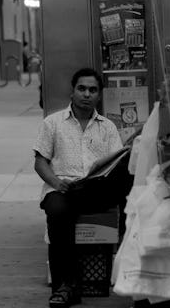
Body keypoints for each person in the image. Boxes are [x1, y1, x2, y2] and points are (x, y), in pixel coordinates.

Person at [33, 68, 132, 308]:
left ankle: (130, 272)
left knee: (129, 182)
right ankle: (65, 286)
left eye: (93, 90)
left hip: (95, 191)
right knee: (57, 212)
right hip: (62, 189)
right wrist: (57, 183)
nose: (86, 94)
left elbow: (115, 164)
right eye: (82, 89)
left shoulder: (108, 127)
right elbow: (40, 162)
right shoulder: (53, 123)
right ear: (72, 91)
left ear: (99, 95)